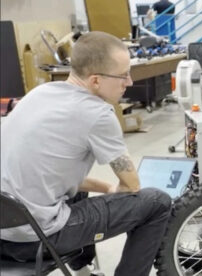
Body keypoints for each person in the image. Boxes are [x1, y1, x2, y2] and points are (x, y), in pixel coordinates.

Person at [0, 31, 172, 276]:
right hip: (34, 241)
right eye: (123, 75)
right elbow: (132, 185)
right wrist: (119, 192)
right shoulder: (98, 114)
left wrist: (107, 189)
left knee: (77, 193)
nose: (130, 82)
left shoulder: (42, 93)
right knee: (156, 202)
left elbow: (53, 173)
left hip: (5, 233)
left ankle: (83, 273)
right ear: (95, 81)